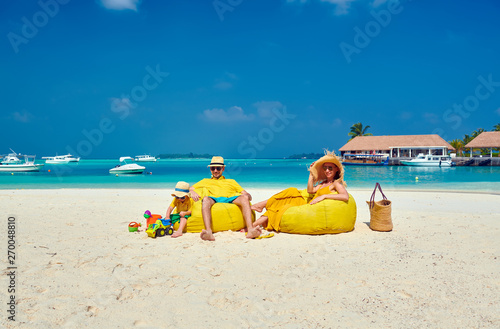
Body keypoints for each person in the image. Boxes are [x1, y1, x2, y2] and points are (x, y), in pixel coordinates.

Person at [251, 151, 349, 231]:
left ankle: (257, 215)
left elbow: (345, 196)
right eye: (325, 168)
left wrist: (324, 196)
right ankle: (253, 223)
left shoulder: (336, 184)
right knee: (286, 196)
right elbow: (310, 190)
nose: (327, 170)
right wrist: (311, 174)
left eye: (330, 168)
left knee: (281, 205)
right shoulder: (322, 183)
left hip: (306, 206)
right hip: (303, 202)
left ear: (336, 169)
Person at [189, 156, 262, 241]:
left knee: (244, 198)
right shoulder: (205, 181)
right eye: (213, 168)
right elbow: (190, 188)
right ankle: (208, 231)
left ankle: (250, 230)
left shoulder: (231, 181)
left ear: (223, 169)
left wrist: (247, 196)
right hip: (214, 199)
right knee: (205, 199)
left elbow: (246, 194)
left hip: (230, 199)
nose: (215, 171)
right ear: (210, 169)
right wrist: (193, 192)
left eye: (218, 168)